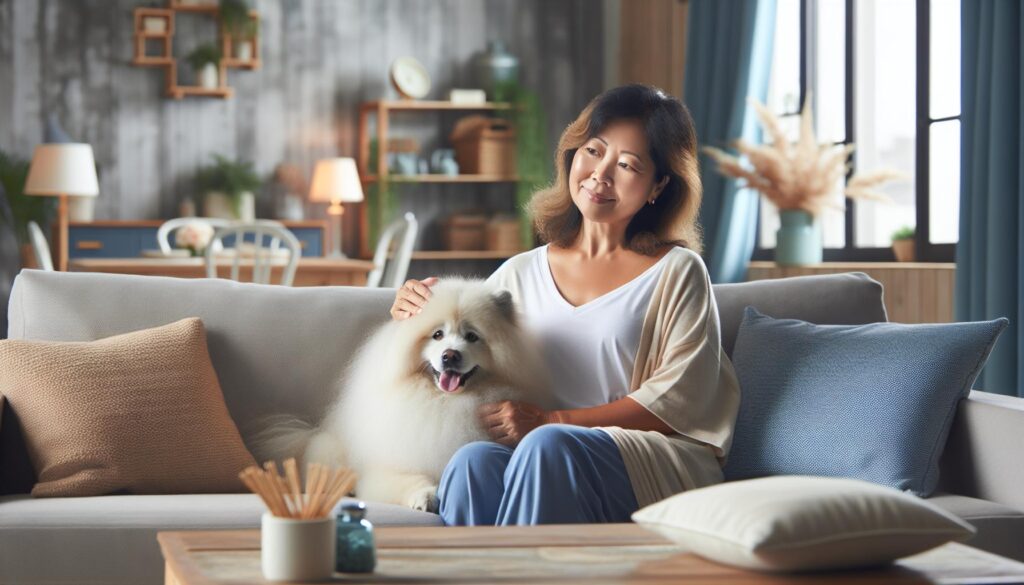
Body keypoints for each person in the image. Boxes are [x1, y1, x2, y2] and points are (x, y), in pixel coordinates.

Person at [390, 84, 740, 526]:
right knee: (474, 461)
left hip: (647, 457)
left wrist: (552, 420)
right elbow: (456, 335)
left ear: (658, 186)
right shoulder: (518, 274)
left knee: (549, 445)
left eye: (628, 165)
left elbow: (680, 399)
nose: (600, 174)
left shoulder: (677, 272)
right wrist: (411, 307)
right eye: (593, 151)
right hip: (540, 452)